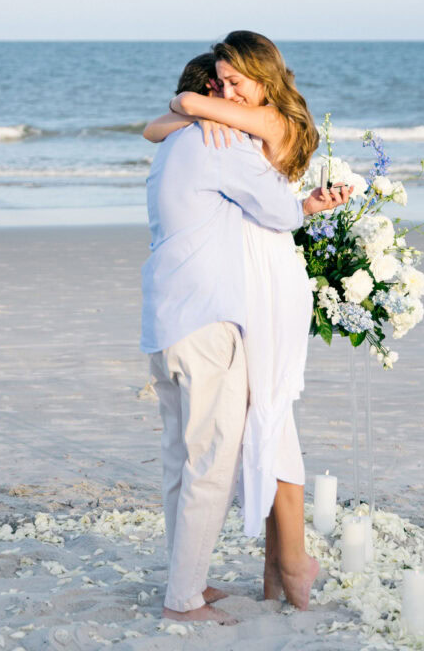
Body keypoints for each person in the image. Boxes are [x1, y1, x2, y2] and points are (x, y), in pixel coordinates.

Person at [145, 31, 352, 612]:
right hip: (218, 306)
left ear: (263, 77)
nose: (228, 93)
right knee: (217, 455)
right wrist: (198, 114)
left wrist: (192, 109)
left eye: (236, 82)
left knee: (203, 448)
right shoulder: (216, 140)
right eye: (222, 84)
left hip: (183, 310)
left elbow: (162, 123)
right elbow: (280, 210)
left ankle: (233, 572)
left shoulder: (190, 141)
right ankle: (201, 589)